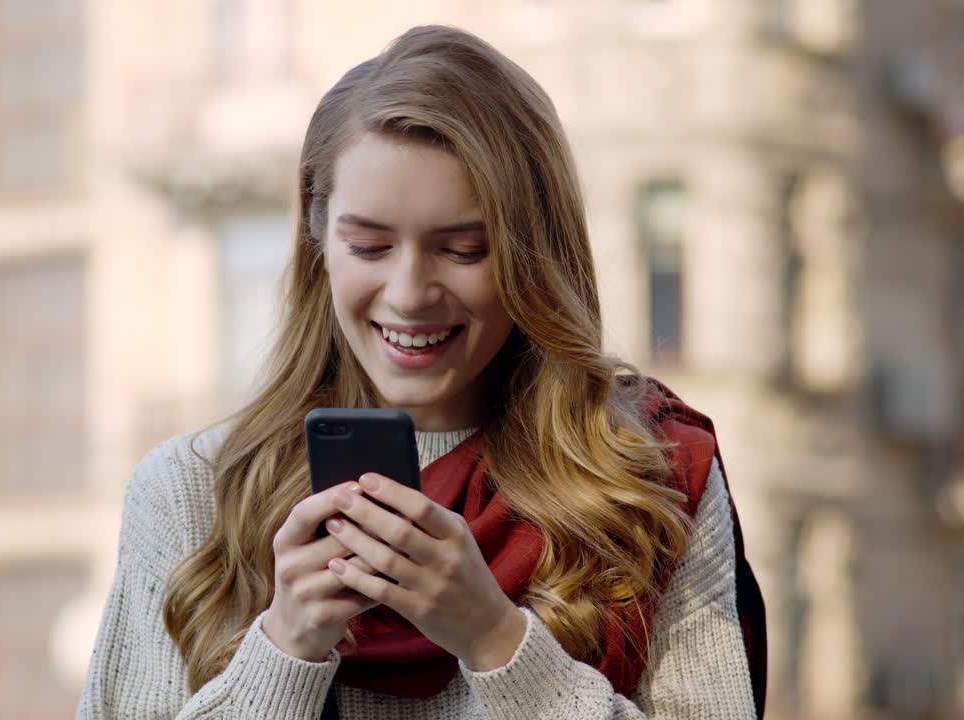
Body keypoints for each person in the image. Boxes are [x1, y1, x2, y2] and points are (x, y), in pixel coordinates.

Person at [76, 24, 766, 720]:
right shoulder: (192, 494)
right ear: (319, 243)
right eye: (369, 245)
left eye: (463, 250)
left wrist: (495, 638)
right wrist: (284, 651)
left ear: (536, 255)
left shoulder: (649, 481)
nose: (409, 293)